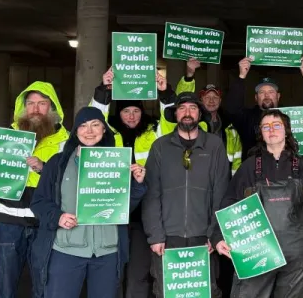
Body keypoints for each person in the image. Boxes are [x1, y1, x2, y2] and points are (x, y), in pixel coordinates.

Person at [29, 107, 146, 298]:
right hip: (66, 250)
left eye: (95, 125)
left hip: (107, 253)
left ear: (104, 129)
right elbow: (39, 202)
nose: (89, 131)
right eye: (82, 126)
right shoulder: (57, 164)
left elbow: (123, 208)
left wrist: (138, 184)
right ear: (75, 131)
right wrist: (58, 217)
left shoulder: (117, 163)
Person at [214, 110, 303, 297]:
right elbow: (229, 203)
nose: (271, 130)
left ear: (286, 131)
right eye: (265, 127)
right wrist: (218, 236)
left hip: (298, 253)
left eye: (276, 125)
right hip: (258, 250)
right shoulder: (249, 167)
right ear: (261, 133)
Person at [89, 69, 177, 298]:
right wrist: (103, 90)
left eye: (136, 110)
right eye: (126, 111)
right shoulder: (107, 133)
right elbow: (93, 118)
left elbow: (170, 122)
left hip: (143, 215)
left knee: (138, 273)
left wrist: (165, 93)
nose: (131, 116)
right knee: (113, 271)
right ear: (119, 113)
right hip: (112, 211)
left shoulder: (152, 131)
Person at [0, 81, 69, 298]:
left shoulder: (67, 141)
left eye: (42, 103)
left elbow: (70, 179)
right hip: (8, 224)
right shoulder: (6, 137)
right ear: (23, 107)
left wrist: (42, 168)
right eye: (30, 103)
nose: (35, 109)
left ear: (53, 108)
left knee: (44, 285)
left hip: (46, 225)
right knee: (5, 288)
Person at [142, 93, 229, 298]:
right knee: (168, 291)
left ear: (200, 114)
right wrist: (155, 235)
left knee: (205, 291)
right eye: (182, 108)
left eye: (192, 108)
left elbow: (222, 192)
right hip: (167, 238)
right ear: (175, 114)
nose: (187, 113)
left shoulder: (215, 145)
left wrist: (215, 234)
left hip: (204, 238)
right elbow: (151, 194)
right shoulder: (160, 146)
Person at [226, 56, 303, 154]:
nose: (266, 95)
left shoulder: (289, 115)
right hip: (254, 168)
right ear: (256, 98)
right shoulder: (247, 118)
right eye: (261, 92)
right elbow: (232, 109)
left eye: (271, 92)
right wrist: (241, 76)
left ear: (278, 96)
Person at [175, 58, 243, 175]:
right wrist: (189, 75)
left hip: (222, 183)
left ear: (220, 100)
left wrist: (234, 185)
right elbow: (181, 98)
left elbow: (237, 162)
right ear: (201, 100)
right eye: (207, 97)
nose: (211, 101)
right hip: (197, 180)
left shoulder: (230, 130)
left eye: (215, 97)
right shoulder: (191, 124)